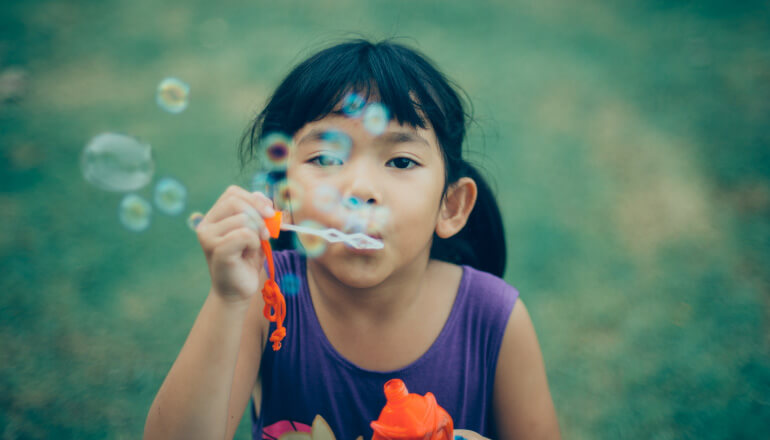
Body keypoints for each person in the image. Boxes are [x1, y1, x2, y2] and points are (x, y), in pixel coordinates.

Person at [143, 39, 560, 440]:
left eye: (401, 160)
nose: (360, 187)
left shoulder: (494, 319)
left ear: (450, 207)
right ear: (281, 197)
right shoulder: (265, 299)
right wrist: (227, 299)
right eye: (325, 158)